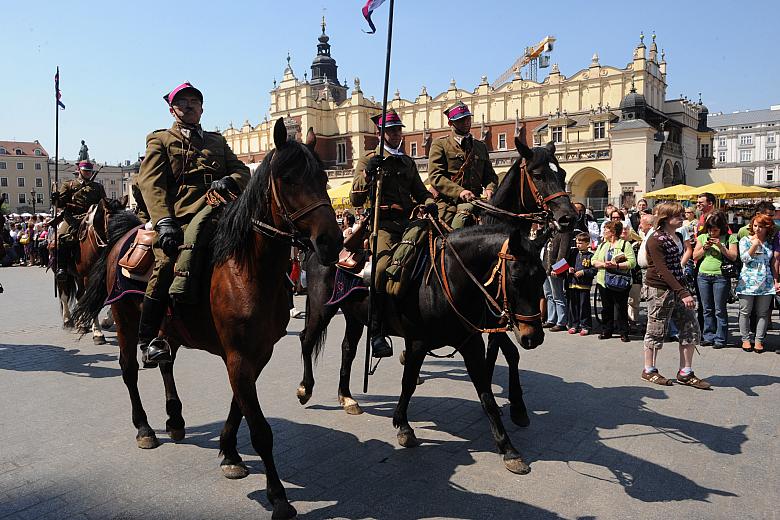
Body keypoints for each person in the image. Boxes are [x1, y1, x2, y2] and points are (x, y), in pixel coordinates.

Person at [134, 82, 250, 366]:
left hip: (222, 210)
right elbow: (151, 183)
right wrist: (164, 221)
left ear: (202, 107)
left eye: (194, 102)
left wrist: (229, 180)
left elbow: (242, 171)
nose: (189, 106)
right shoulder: (160, 140)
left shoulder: (216, 141)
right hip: (182, 216)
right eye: (182, 102)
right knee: (166, 261)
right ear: (172, 109)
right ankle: (150, 338)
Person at [350, 108, 436, 358]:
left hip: (408, 224)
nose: (397, 134)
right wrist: (368, 174)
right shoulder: (368, 160)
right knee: (380, 269)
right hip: (383, 225)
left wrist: (429, 201)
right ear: (381, 133)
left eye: (399, 129)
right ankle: (376, 331)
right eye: (391, 130)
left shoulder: (407, 162)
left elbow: (420, 191)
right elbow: (355, 198)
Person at [642, 202, 711, 389]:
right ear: (665, 218)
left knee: (690, 326)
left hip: (678, 286)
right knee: (656, 329)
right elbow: (661, 269)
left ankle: (685, 372)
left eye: (682, 215)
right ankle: (649, 370)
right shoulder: (655, 239)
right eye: (677, 216)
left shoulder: (679, 235)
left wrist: (683, 290)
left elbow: (677, 265)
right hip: (659, 289)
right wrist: (682, 292)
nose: (682, 218)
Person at [427, 101, 497, 229]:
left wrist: (490, 188)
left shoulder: (480, 146)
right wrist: (460, 192)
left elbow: (490, 176)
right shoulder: (440, 144)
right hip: (449, 203)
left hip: (478, 201)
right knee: (438, 233)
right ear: (450, 123)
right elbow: (436, 176)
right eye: (461, 120)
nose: (466, 122)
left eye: (468, 118)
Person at [51, 160, 107, 278]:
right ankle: (62, 268)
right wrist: (55, 199)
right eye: (85, 171)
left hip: (92, 216)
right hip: (73, 218)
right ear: (79, 171)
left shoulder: (98, 187)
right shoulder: (69, 184)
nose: (87, 173)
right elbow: (60, 204)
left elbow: (104, 203)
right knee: (62, 237)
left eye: (89, 171)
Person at [693, 211, 738, 348]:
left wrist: (720, 246)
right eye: (710, 230)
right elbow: (695, 255)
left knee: (719, 309)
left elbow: (733, 256)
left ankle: (720, 338)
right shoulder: (702, 237)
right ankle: (708, 336)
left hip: (721, 277)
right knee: (707, 308)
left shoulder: (730, 238)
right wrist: (704, 248)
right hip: (703, 276)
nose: (712, 233)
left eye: (716, 230)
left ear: (721, 228)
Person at [736, 213, 779, 353]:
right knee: (745, 312)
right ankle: (745, 339)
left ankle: (759, 340)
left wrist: (776, 280)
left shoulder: (769, 242)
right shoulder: (745, 240)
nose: (757, 229)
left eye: (761, 226)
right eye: (755, 226)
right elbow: (744, 259)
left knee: (763, 313)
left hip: (766, 282)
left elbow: (773, 262)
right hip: (747, 281)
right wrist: (754, 245)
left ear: (767, 228)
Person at [593, 219, 636, 342]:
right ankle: (607, 330)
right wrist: (603, 264)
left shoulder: (624, 244)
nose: (604, 232)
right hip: (603, 281)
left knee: (621, 307)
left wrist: (616, 266)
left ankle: (624, 331)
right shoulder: (603, 245)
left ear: (612, 232)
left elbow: (632, 262)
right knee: (606, 308)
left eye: (606, 230)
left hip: (619, 281)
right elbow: (593, 260)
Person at [566, 232, 596, 335]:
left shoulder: (591, 256)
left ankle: (585, 326)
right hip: (572, 283)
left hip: (584, 285)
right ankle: (574, 325)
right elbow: (566, 264)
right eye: (577, 242)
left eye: (581, 243)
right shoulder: (573, 253)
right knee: (573, 306)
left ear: (587, 244)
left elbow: (594, 270)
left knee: (584, 306)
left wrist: (584, 272)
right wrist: (568, 269)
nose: (578, 245)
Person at [542, 232, 569, 331]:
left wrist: (558, 269)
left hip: (555, 269)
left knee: (558, 296)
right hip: (545, 268)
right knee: (548, 295)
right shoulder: (549, 233)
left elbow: (563, 253)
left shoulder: (564, 234)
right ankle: (551, 319)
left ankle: (561, 322)